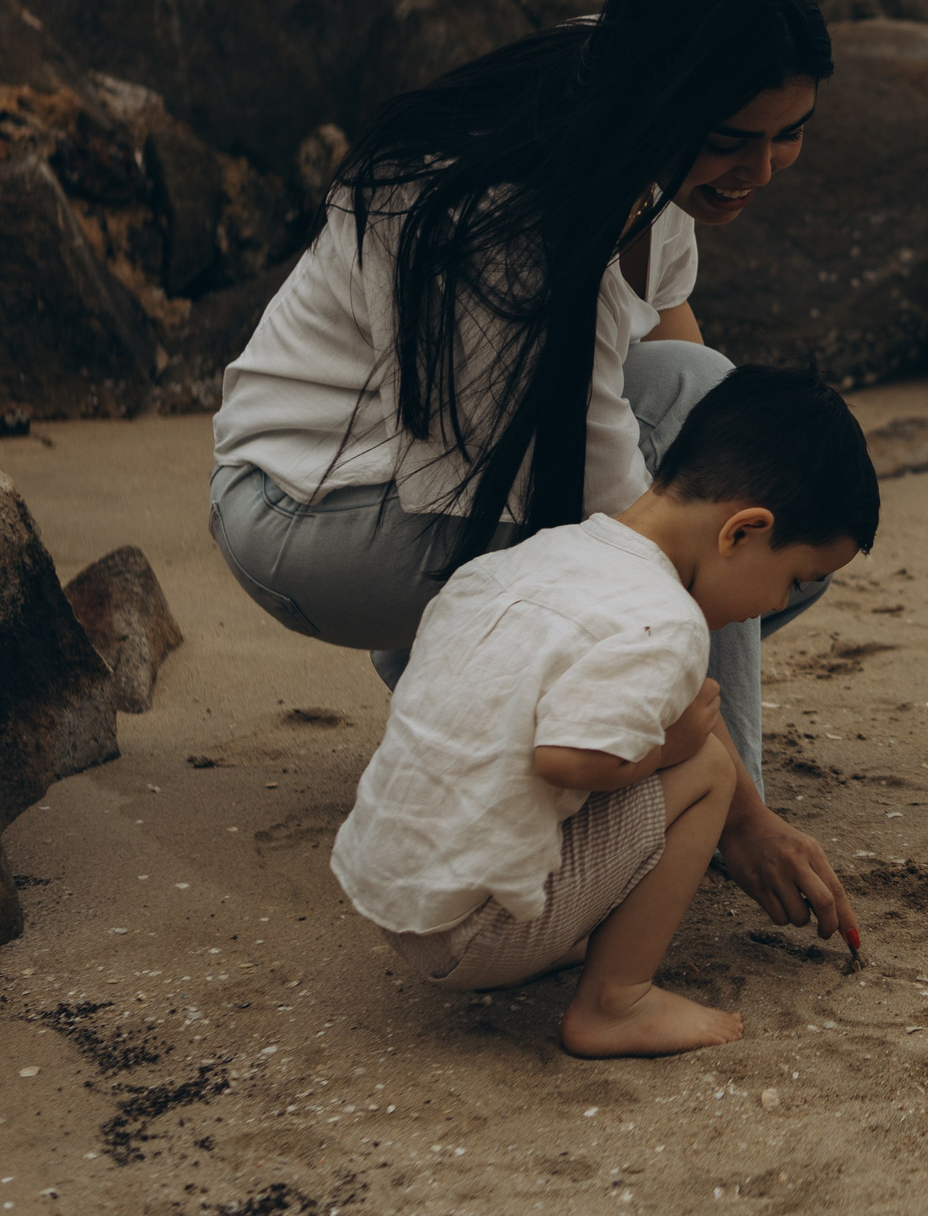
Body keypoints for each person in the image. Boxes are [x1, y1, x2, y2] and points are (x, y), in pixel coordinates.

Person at [209, 0, 861, 940]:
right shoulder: (501, 230)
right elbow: (635, 551)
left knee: (760, 498)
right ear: (667, 103)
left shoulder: (628, 92)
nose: (764, 168)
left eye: (790, 132)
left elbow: (677, 357)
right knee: (713, 536)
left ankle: (478, 687)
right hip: (309, 516)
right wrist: (742, 815)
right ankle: (551, 723)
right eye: (733, 140)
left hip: (435, 487)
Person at [331, 366, 880, 1055]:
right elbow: (568, 757)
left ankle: (569, 935)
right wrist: (671, 746)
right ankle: (615, 1000)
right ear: (742, 530)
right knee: (707, 763)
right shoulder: (666, 621)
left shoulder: (544, 557)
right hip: (473, 932)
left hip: (396, 893)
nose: (778, 603)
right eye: (793, 578)